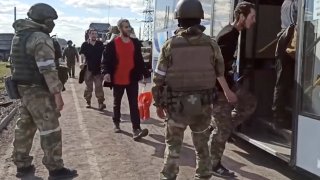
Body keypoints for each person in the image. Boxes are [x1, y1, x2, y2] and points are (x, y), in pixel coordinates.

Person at [152, 0, 237, 179]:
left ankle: (169, 176)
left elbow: (158, 78)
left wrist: (158, 103)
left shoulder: (170, 45)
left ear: (179, 20)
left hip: (176, 107)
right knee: (202, 147)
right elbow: (220, 71)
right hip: (203, 106)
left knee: (173, 148)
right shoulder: (211, 44)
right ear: (200, 19)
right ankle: (203, 175)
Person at [10, 3, 77, 179]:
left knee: (25, 125)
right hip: (39, 90)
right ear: (43, 20)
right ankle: (56, 169)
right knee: (50, 129)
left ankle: (22, 164)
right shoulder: (40, 37)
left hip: (23, 88)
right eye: (51, 20)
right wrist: (57, 94)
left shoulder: (20, 35)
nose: (52, 24)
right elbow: (48, 69)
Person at [209, 2, 257, 178]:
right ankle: (213, 165)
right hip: (221, 89)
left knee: (249, 103)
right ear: (242, 17)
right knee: (222, 130)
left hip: (229, 84)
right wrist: (227, 92)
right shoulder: (228, 36)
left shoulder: (234, 33)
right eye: (252, 17)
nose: (254, 20)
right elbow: (216, 67)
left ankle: (221, 124)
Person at [102, 19, 149, 141]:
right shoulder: (113, 44)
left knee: (134, 104)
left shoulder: (135, 43)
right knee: (116, 103)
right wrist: (106, 73)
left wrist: (145, 74)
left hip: (132, 79)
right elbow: (106, 61)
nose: (128, 29)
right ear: (120, 29)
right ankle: (116, 123)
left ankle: (136, 129)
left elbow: (139, 60)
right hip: (118, 79)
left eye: (129, 27)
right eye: (126, 27)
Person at [272, 0, 298, 128]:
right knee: (283, 81)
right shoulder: (296, 3)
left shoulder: (285, 2)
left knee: (282, 81)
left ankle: (279, 115)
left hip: (283, 40)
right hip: (290, 40)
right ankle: (279, 116)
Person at [79, 29, 106, 110]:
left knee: (99, 86)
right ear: (89, 35)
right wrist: (81, 63)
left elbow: (104, 54)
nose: (94, 35)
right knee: (89, 86)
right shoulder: (85, 44)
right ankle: (88, 101)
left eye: (95, 34)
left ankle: (100, 103)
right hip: (88, 68)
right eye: (92, 34)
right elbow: (82, 54)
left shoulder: (100, 44)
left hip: (98, 69)